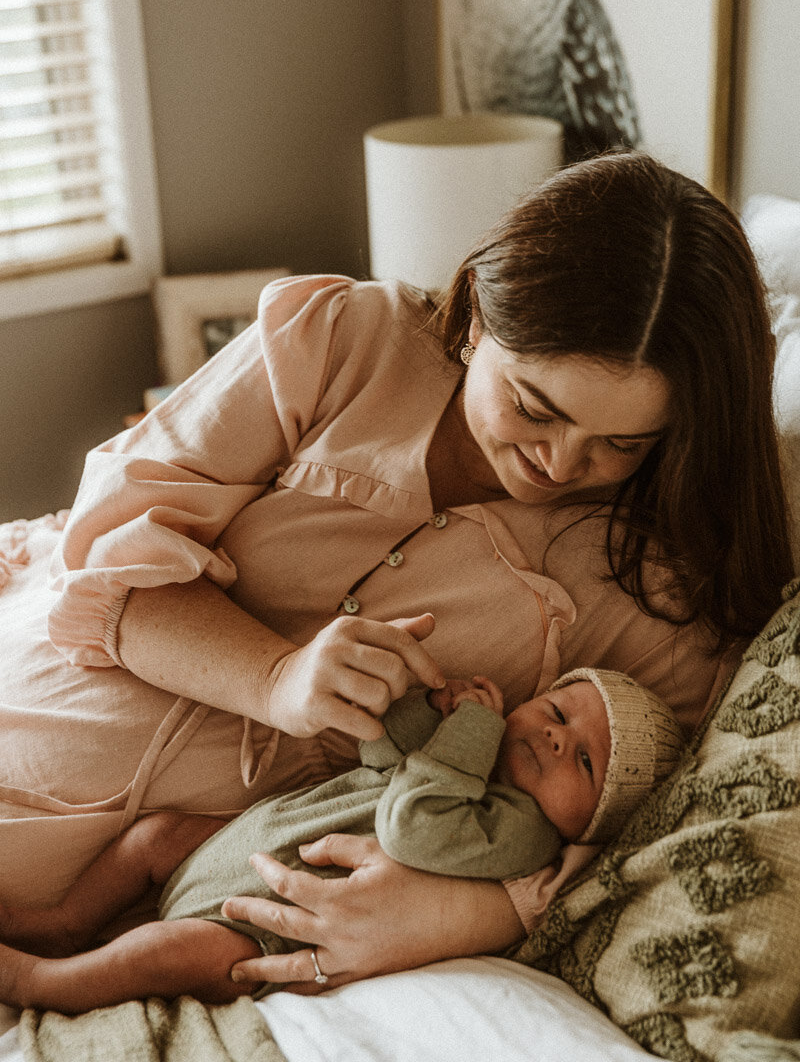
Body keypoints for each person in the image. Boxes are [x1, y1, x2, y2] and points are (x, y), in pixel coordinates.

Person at [0, 150, 792, 996]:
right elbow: (110, 557)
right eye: (532, 406)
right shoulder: (345, 340)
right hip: (37, 718)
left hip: (167, 888)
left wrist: (470, 914)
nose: (562, 462)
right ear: (480, 320)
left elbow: (644, 821)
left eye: (622, 444)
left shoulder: (657, 594)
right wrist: (276, 677)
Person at [0, 669, 683, 1011]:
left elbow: (412, 826)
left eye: (586, 763)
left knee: (165, 953)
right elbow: (382, 753)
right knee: (158, 835)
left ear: (589, 825)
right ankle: (64, 923)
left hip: (264, 924)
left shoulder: (522, 834)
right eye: (558, 710)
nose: (557, 737)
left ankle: (43, 981)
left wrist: (470, 734)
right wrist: (434, 711)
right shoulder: (471, 765)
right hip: (250, 846)